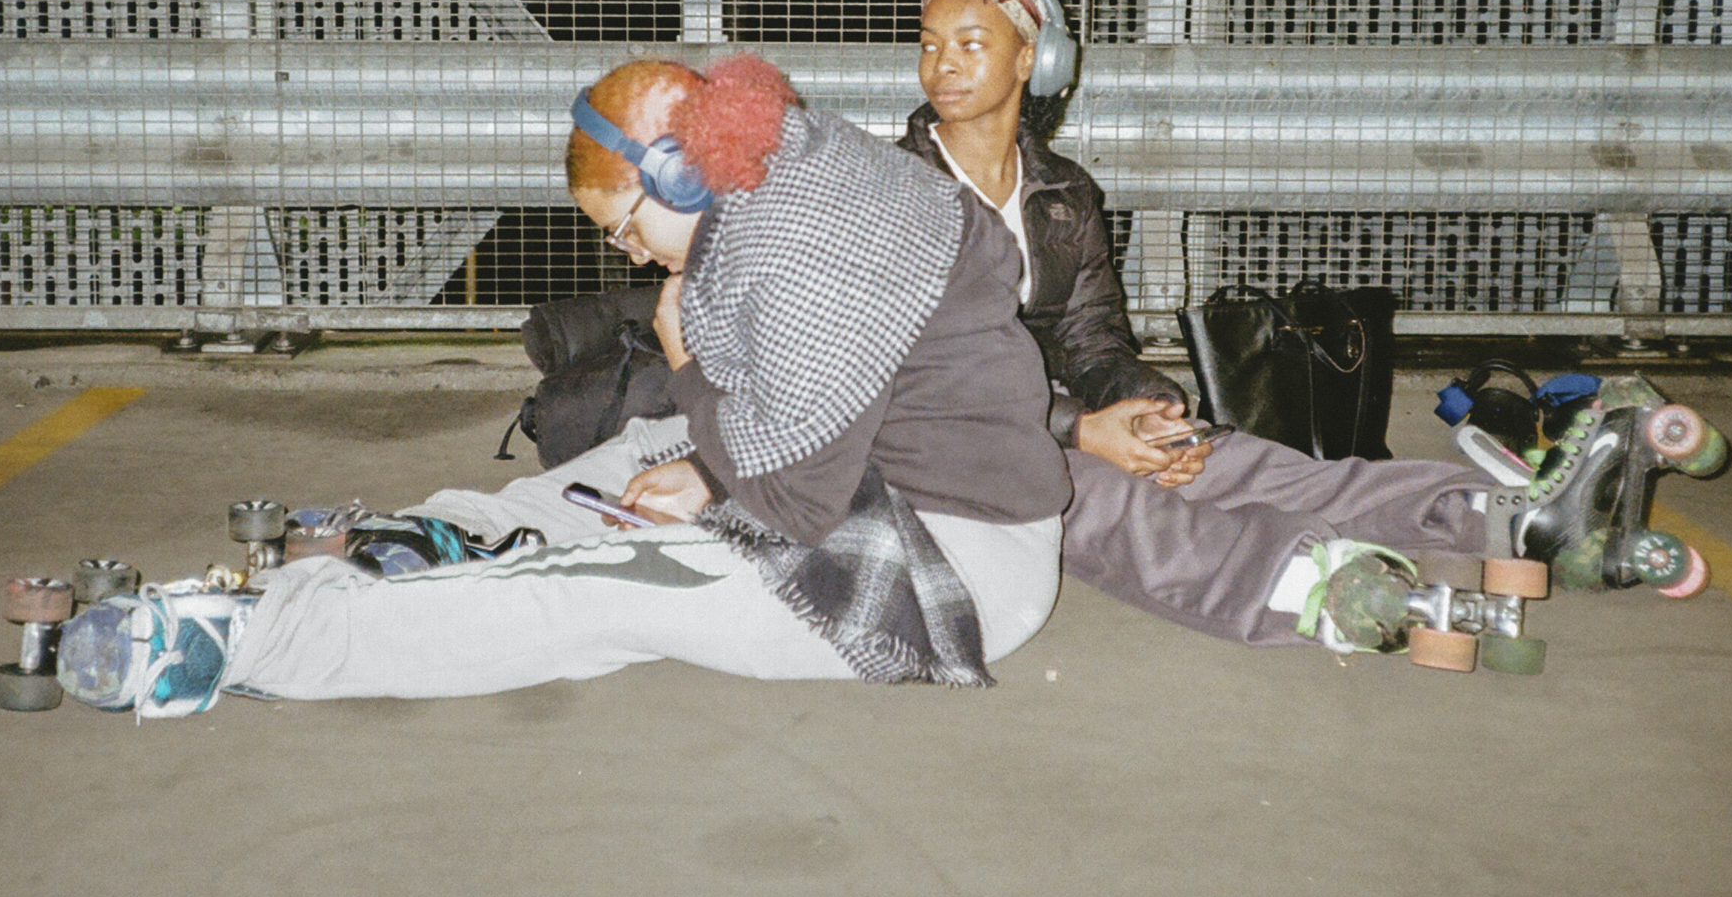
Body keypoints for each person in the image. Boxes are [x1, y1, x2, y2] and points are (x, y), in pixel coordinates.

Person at [54, 54, 1072, 715]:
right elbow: (799, 399)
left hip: (950, 564)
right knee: (635, 459)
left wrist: (686, 375)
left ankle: (245, 639)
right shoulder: (787, 152)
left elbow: (799, 498)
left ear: (677, 173)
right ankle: (426, 541)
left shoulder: (798, 246)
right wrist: (706, 459)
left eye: (624, 227)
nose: (631, 259)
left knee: (596, 593)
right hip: (865, 474)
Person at [903, 0, 1508, 652]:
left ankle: (1490, 512)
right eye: (929, 44)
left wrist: (1147, 408)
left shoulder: (1064, 192)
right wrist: (1079, 429)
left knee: (1234, 461)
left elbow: (1091, 337)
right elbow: (924, 371)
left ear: (1030, 61)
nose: (943, 64)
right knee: (1103, 496)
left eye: (971, 44)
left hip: (1045, 412)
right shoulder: (892, 191)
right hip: (939, 435)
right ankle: (1305, 589)